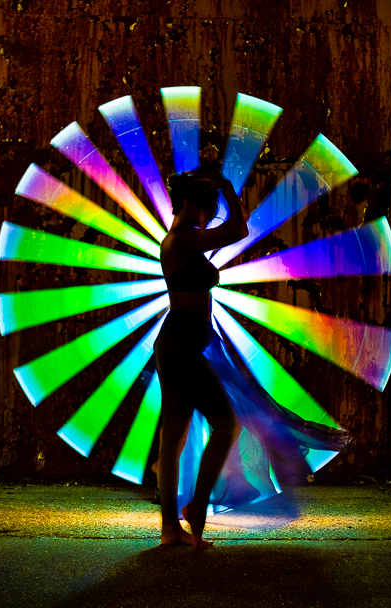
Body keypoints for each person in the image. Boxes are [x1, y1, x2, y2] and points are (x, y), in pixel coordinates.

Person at [155, 168, 248, 548]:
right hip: (179, 345)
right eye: (207, 206)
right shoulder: (181, 239)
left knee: (173, 437)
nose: (211, 214)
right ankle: (195, 510)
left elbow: (229, 233)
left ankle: (169, 531)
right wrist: (226, 186)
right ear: (189, 204)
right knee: (227, 425)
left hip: (179, 345)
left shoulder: (188, 241)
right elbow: (237, 232)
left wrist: (221, 189)